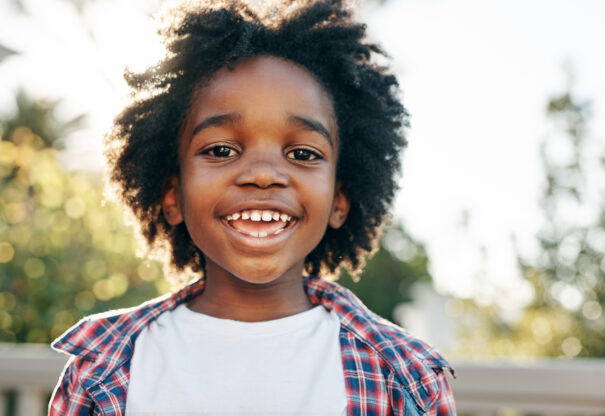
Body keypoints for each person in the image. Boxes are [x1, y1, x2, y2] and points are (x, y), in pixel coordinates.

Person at [49, 0, 456, 414]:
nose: (263, 174)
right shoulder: (104, 368)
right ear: (173, 196)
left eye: (302, 153)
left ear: (339, 201)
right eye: (222, 149)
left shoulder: (406, 376)